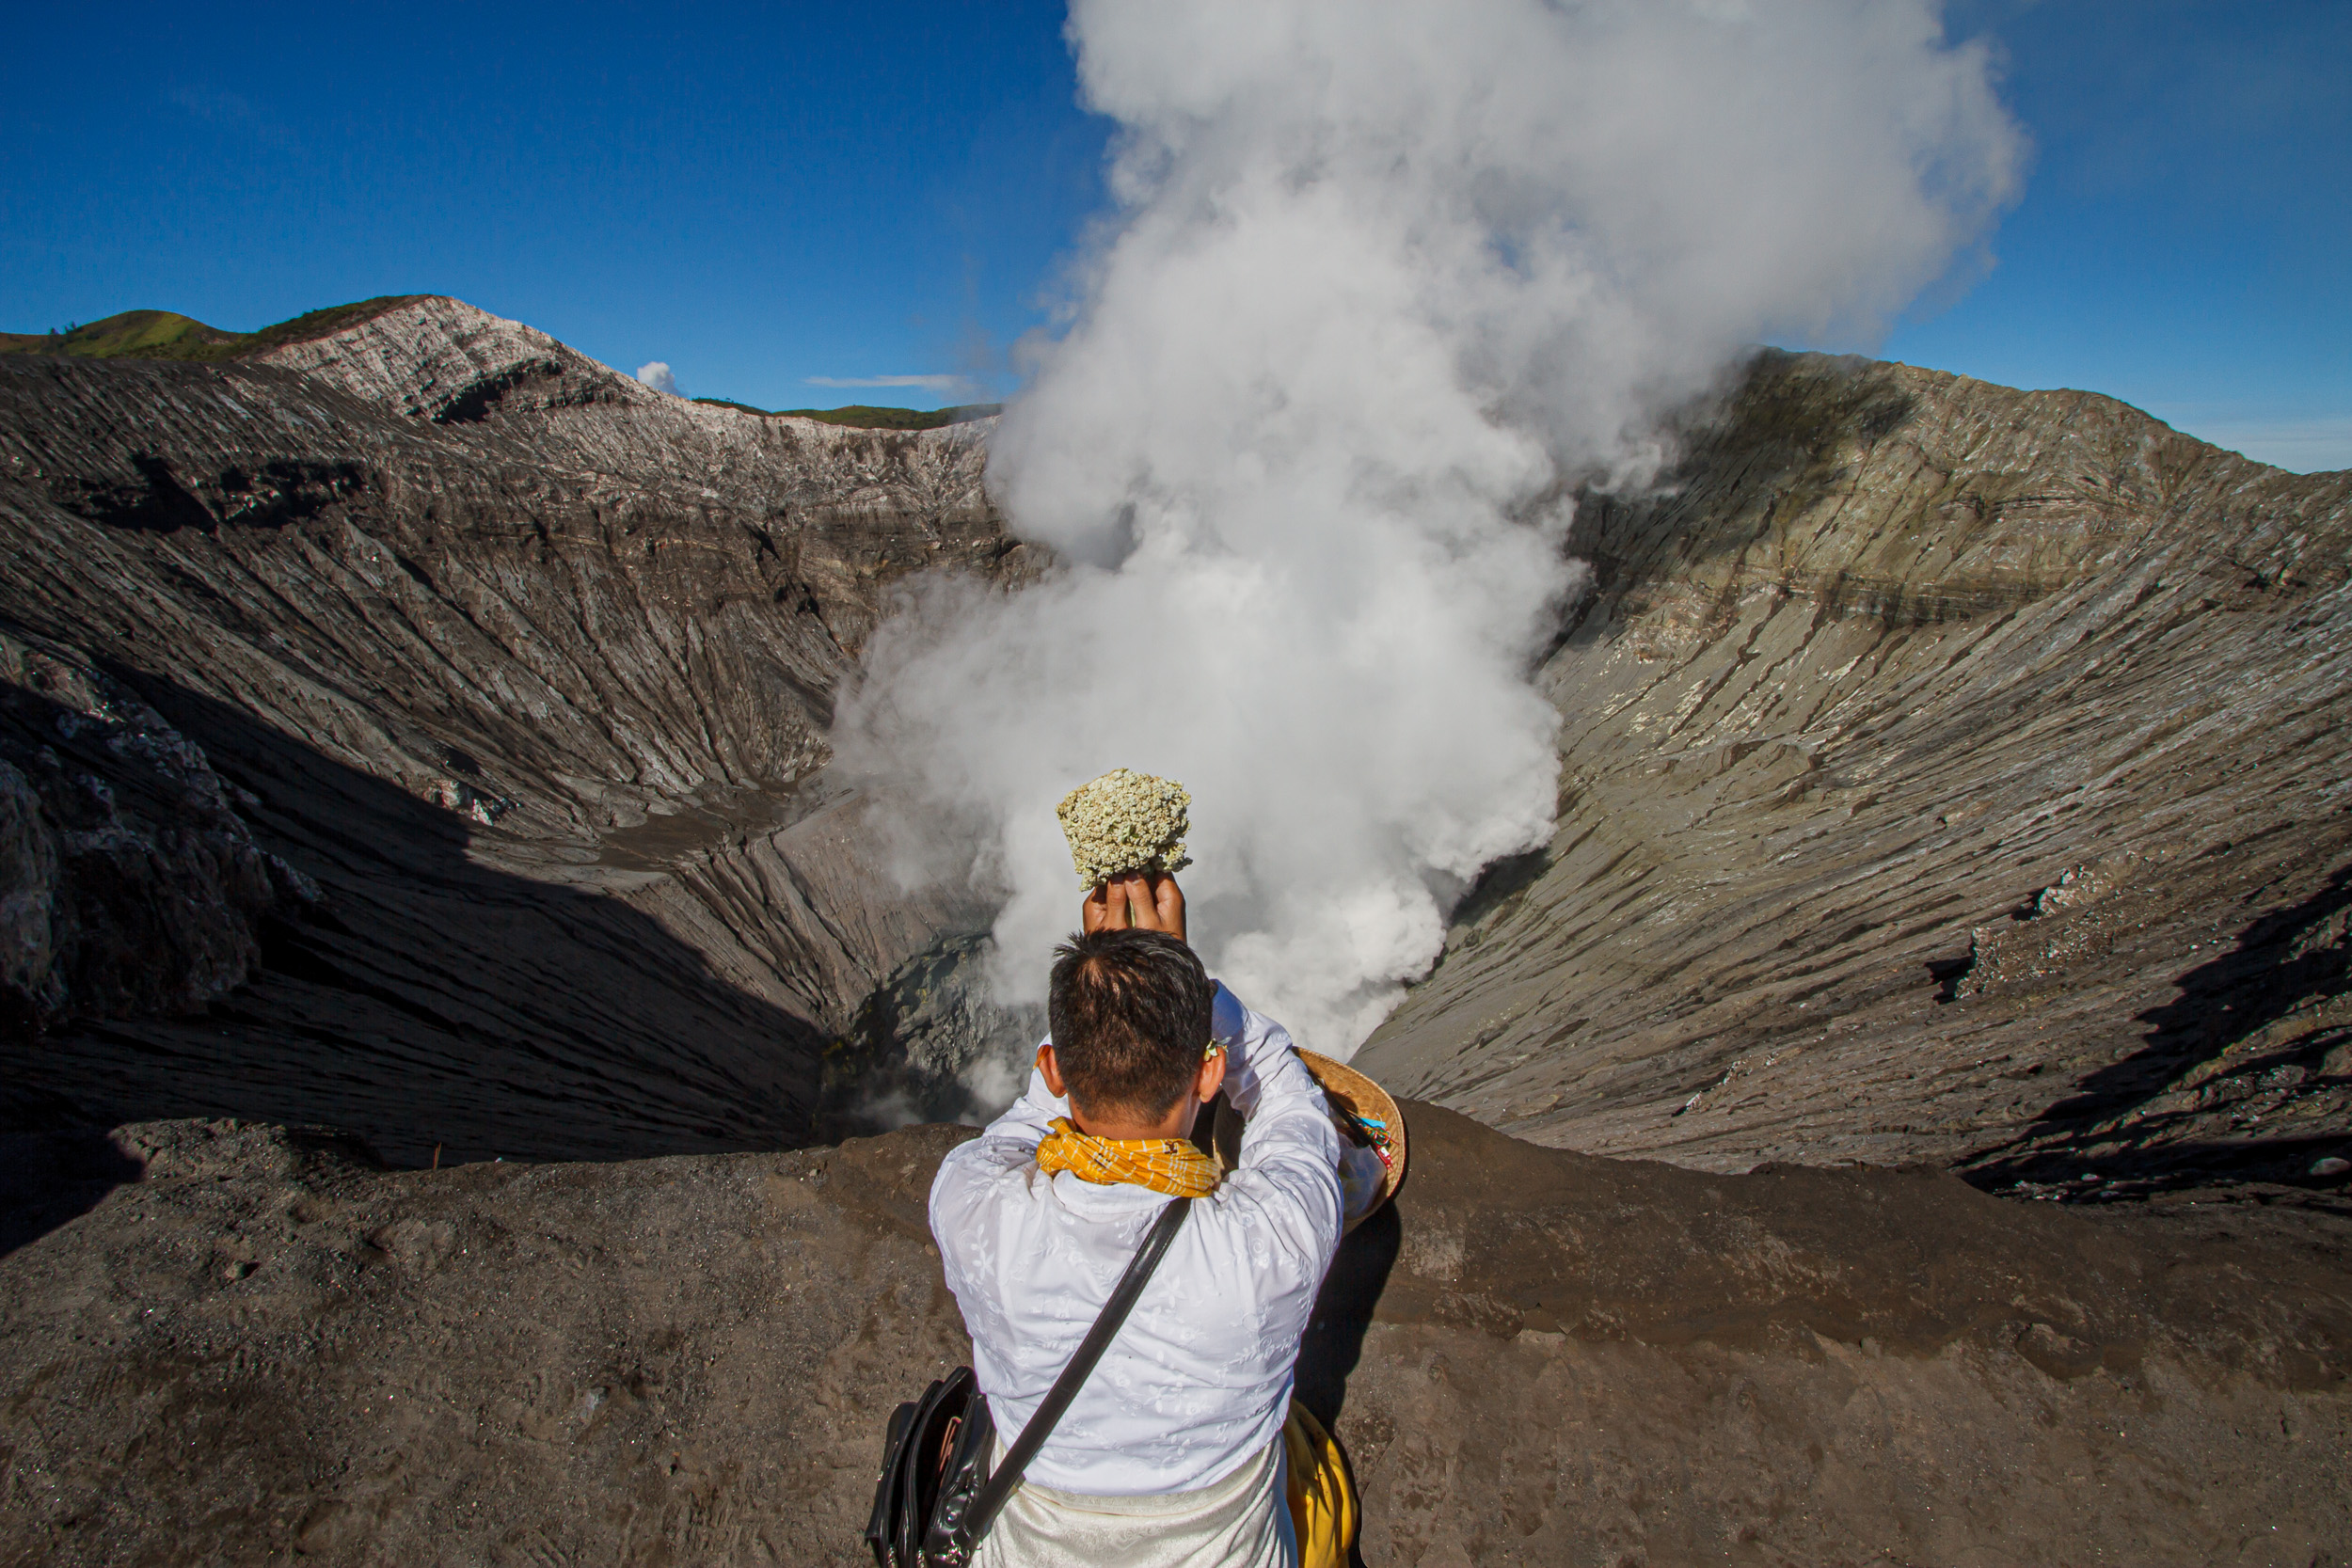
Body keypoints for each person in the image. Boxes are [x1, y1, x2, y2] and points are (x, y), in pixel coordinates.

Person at [928, 871, 1350, 1567]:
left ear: (1054, 1068)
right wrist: (1185, 982)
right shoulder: (1273, 1244)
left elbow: (1022, 1128)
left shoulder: (971, 1206)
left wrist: (1109, 987)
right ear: (1208, 1074)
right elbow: (1285, 1100)